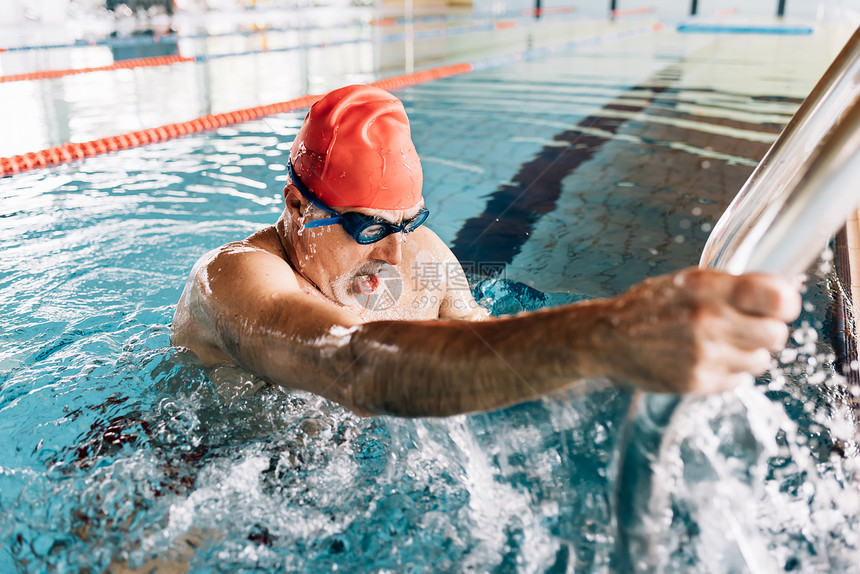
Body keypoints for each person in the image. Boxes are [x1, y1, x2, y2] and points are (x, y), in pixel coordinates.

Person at [171, 84, 801, 417]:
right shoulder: (235, 280)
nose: (393, 255)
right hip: (193, 468)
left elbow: (498, 354)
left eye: (408, 223)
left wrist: (644, 370)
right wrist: (602, 334)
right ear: (299, 207)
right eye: (366, 228)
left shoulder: (422, 258)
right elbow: (352, 365)